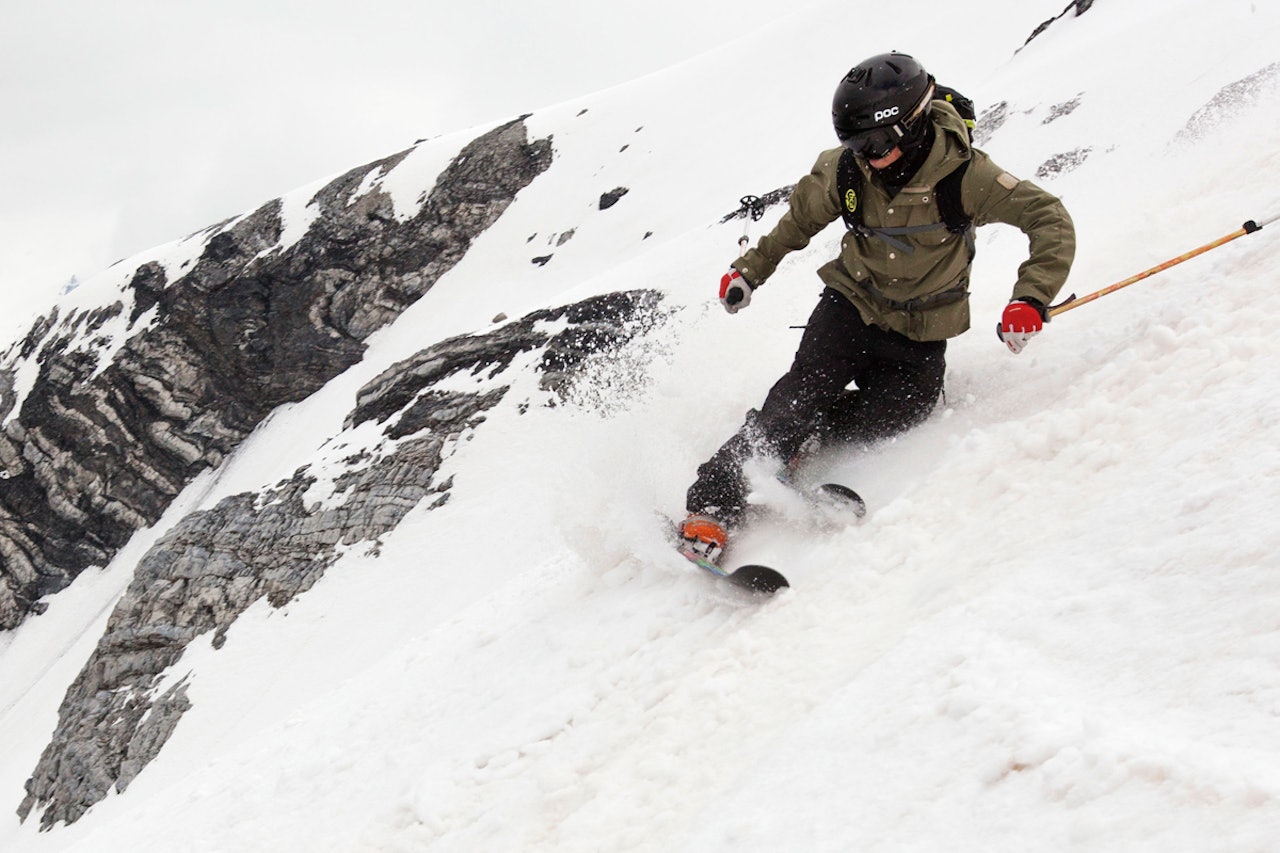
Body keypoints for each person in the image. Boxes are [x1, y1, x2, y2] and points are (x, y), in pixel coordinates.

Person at [680, 52, 1075, 562]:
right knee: (796, 400)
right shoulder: (845, 171)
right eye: (855, 144)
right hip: (850, 306)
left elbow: (1050, 218)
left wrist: (1031, 297)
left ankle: (808, 441)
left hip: (922, 330)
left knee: (902, 412)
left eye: (875, 143)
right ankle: (712, 506)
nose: (865, 156)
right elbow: (797, 222)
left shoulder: (966, 177)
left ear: (911, 126)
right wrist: (750, 271)